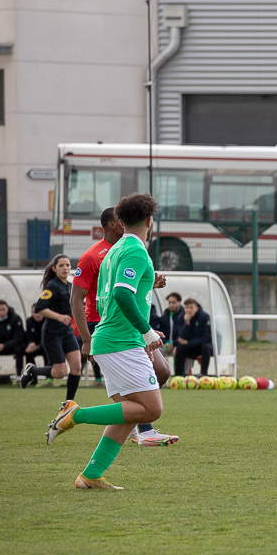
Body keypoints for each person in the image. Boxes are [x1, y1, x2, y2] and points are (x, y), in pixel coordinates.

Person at [45, 193, 167, 489]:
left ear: (121, 222)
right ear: (150, 221)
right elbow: (122, 294)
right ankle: (75, 414)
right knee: (151, 410)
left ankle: (90, 476)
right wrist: (146, 330)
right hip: (120, 341)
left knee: (128, 415)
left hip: (113, 338)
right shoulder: (136, 251)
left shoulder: (114, 249)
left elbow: (118, 294)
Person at [71, 207, 177, 447]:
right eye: (120, 223)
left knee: (149, 386)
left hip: (124, 325)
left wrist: (148, 285)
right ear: (112, 224)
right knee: (153, 388)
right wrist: (86, 338)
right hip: (111, 327)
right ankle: (77, 415)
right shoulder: (97, 255)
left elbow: (125, 292)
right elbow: (83, 297)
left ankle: (91, 476)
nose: (124, 226)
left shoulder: (119, 250)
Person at [19, 254, 82, 400]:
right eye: (61, 265)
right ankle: (32, 370)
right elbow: (40, 307)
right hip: (52, 334)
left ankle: (68, 403)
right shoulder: (52, 286)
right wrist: (59, 316)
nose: (65, 268)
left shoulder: (71, 286)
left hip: (67, 332)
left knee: (77, 367)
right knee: (60, 373)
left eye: (67, 265)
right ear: (54, 268)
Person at [173, 298, 212, 376]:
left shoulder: (204, 317)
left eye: (191, 307)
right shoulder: (181, 318)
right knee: (180, 348)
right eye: (187, 308)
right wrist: (187, 323)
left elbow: (207, 337)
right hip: (190, 347)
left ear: (196, 308)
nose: (189, 310)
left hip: (200, 346)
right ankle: (178, 376)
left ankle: (203, 374)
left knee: (206, 347)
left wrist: (189, 342)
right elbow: (180, 337)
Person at [0, 300, 25, 384]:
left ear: (7, 308)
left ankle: (19, 375)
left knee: (19, 349)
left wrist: (4, 345)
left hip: (11, 346)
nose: (1, 312)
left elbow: (19, 338)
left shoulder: (15, 319)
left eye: (3, 309)